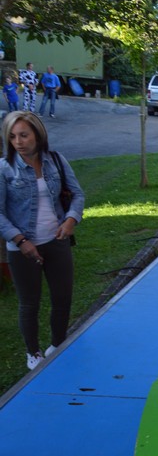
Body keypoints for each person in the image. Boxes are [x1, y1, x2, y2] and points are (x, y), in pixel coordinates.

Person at [0, 111, 84, 369]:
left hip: (56, 241)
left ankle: (58, 344)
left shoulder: (56, 160)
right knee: (29, 303)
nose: (18, 142)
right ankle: (33, 353)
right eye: (12, 137)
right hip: (22, 248)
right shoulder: (5, 168)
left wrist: (70, 220)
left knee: (62, 298)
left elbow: (77, 194)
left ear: (38, 134)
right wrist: (20, 240)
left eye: (24, 135)